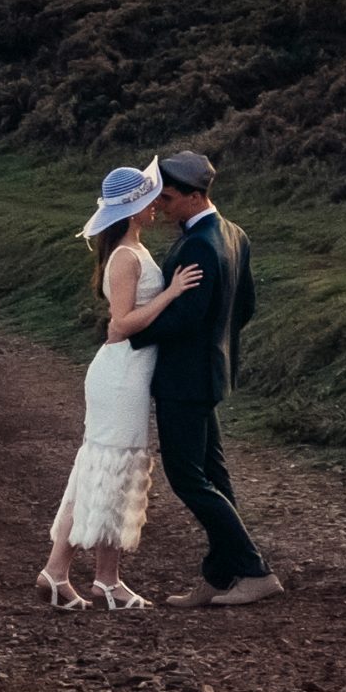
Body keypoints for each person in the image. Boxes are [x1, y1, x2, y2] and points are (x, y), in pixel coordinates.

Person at [36, 159, 203, 610]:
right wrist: (171, 293)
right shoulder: (126, 257)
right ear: (133, 209)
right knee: (111, 471)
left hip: (127, 374)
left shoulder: (132, 250)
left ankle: (68, 574)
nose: (156, 205)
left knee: (104, 471)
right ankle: (97, 580)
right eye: (149, 200)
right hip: (121, 376)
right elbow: (122, 324)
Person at [126, 151, 280, 607]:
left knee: (188, 477)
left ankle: (254, 570)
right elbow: (245, 307)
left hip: (184, 378)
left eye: (169, 198)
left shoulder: (198, 244)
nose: (161, 205)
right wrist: (218, 345)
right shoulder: (234, 233)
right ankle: (220, 574)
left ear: (195, 197)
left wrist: (131, 332)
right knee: (213, 475)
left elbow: (186, 316)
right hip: (211, 372)